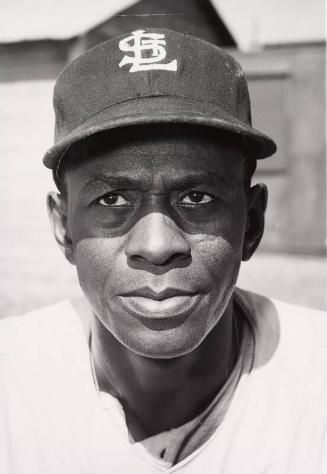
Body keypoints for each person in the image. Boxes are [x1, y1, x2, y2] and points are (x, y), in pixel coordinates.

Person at [1, 28, 326, 474]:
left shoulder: (317, 380)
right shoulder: (11, 388)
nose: (157, 245)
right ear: (63, 228)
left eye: (197, 197)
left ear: (252, 222)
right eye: (113, 199)